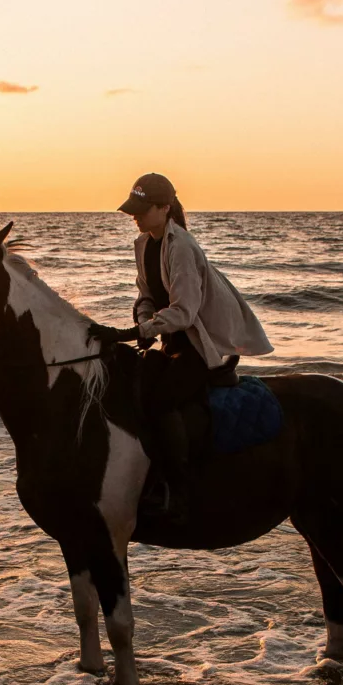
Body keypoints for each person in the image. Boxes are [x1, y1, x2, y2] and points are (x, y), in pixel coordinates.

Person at [105, 172, 272, 521]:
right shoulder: (144, 243)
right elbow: (146, 295)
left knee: (163, 398)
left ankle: (179, 488)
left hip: (200, 343)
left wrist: (143, 330)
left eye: (141, 209)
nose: (134, 215)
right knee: (134, 387)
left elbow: (184, 311)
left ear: (164, 208)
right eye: (133, 209)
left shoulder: (181, 246)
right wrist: (143, 321)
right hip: (171, 340)